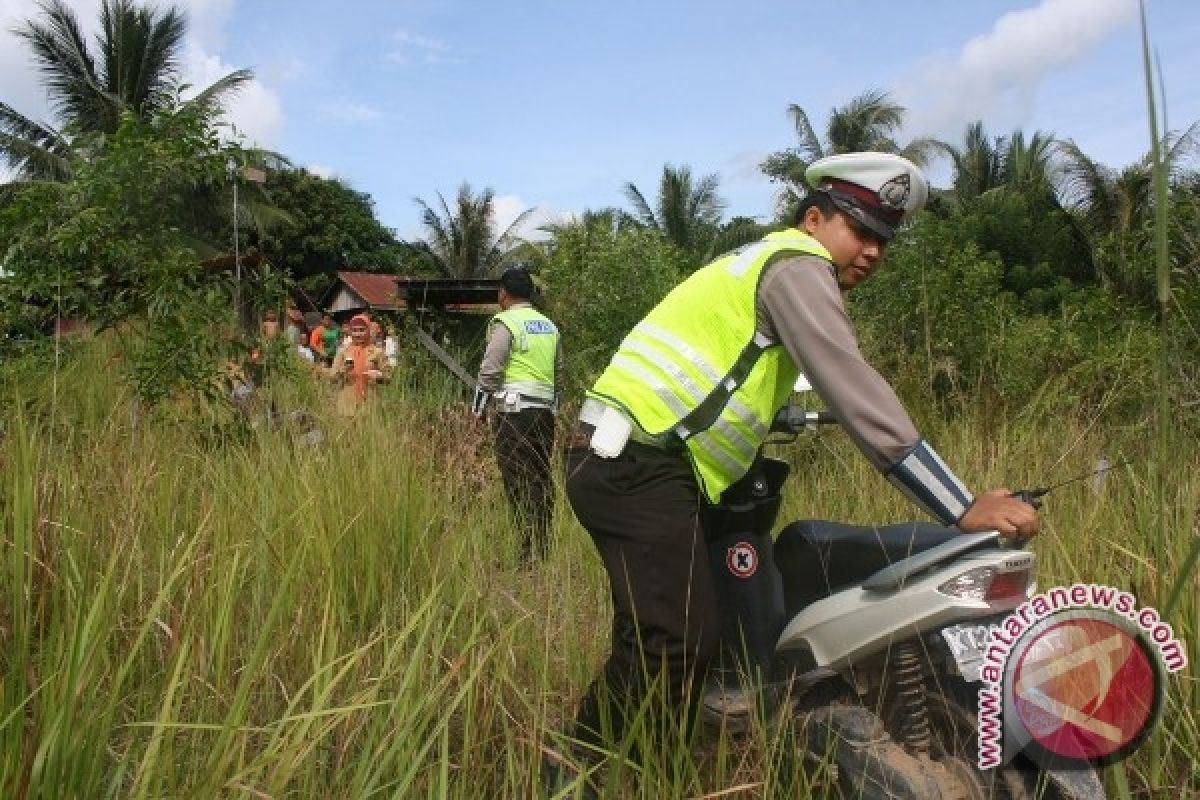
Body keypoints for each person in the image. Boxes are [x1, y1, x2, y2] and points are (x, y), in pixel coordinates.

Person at [551, 152, 1040, 792]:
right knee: (675, 641)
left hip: (657, 463)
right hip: (632, 463)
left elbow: (733, 374)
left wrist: (781, 414)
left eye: (882, 241)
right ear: (814, 219)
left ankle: (662, 761)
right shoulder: (796, 266)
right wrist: (961, 505)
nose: (870, 252)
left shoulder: (764, 267)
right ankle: (575, 772)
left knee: (685, 630)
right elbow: (852, 385)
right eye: (859, 230)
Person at [474, 266, 563, 562]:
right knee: (540, 475)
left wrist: (477, 410)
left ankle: (526, 551)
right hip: (544, 414)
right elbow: (557, 371)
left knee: (517, 480)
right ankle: (544, 544)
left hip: (514, 413)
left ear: (503, 293)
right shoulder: (549, 326)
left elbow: (491, 370)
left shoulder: (506, 322)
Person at [329, 314, 389, 415]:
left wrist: (379, 376)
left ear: (368, 331)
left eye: (362, 330)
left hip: (370, 405)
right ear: (350, 332)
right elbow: (332, 378)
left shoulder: (377, 352)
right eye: (355, 330)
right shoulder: (343, 352)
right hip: (347, 405)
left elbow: (388, 377)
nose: (358, 334)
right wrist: (343, 369)